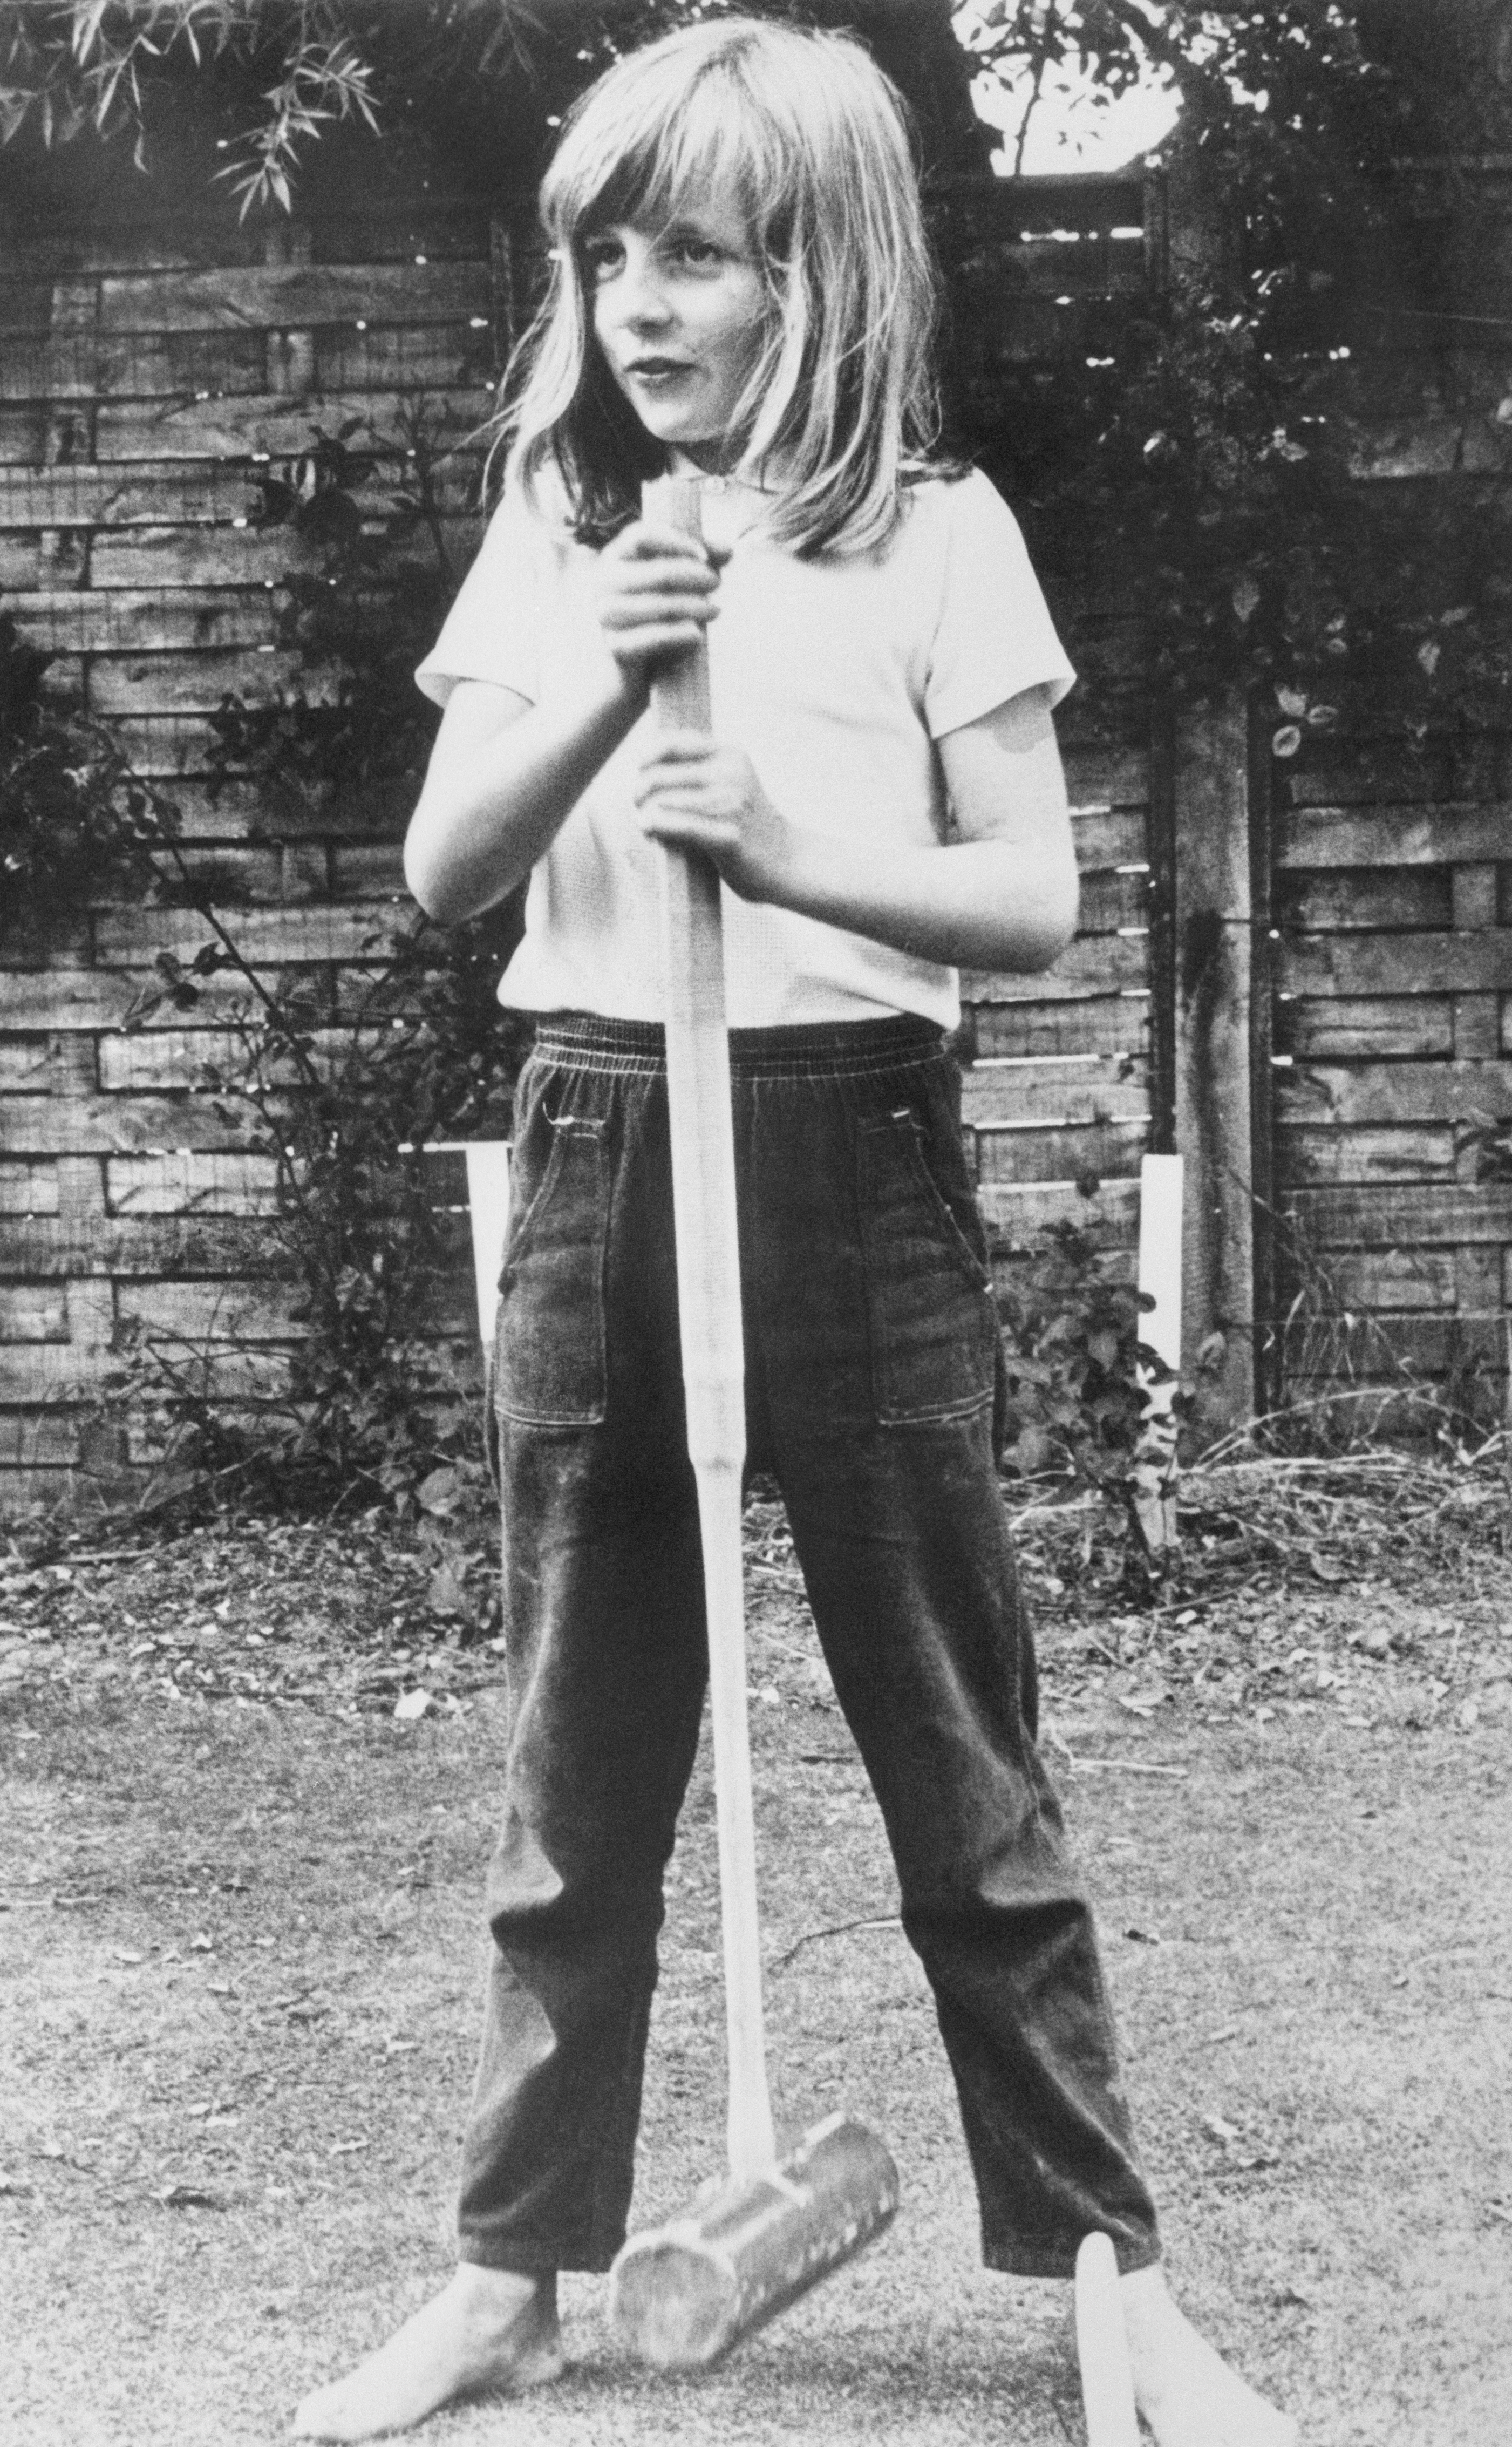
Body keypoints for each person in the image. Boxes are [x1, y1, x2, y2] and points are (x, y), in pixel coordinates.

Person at [292, 19, 1297, 2445]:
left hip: (850, 1142)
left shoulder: (932, 533)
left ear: (815, 275)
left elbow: (1032, 898)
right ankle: (511, 2266)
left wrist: (790, 853)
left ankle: (1106, 2282)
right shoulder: (560, 529)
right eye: (612, 255)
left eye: (707, 259)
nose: (646, 303)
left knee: (957, 1734)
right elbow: (449, 869)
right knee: (579, 1747)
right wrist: (604, 685)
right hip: (603, 1133)